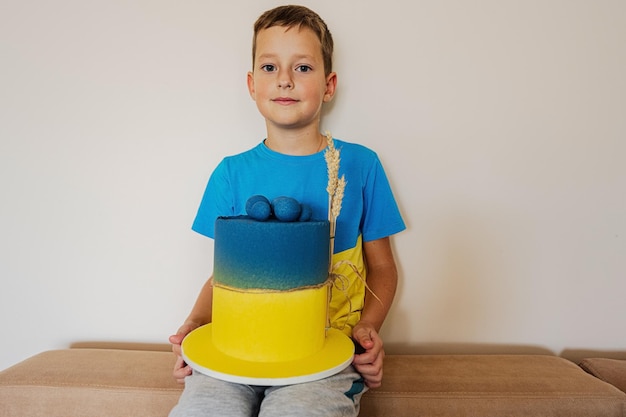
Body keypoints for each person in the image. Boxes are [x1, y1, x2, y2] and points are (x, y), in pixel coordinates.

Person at [169, 5, 405, 416]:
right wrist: (193, 322)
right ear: (251, 84)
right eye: (269, 66)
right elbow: (223, 277)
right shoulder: (230, 173)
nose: (284, 79)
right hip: (237, 348)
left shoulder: (360, 166)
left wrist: (368, 329)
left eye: (303, 68)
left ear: (329, 85)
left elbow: (382, 268)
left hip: (324, 353)